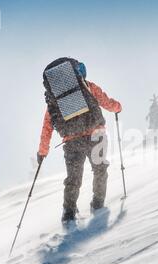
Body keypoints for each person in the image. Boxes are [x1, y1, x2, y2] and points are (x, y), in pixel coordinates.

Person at [37, 59, 122, 225]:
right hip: (96, 135)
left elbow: (47, 126)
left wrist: (42, 152)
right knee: (100, 170)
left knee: (73, 179)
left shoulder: (56, 99)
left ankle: (68, 214)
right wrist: (118, 107)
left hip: (72, 142)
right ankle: (98, 205)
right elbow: (106, 102)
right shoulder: (87, 87)